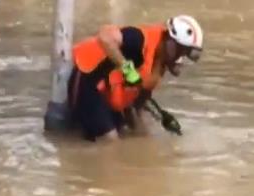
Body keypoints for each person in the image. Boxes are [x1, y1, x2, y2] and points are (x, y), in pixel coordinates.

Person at [67, 15, 203, 141]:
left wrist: (144, 138)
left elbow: (134, 105)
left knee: (129, 138)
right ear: (170, 41)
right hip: (88, 79)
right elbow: (105, 37)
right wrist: (127, 69)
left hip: (107, 94)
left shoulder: (158, 66)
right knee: (111, 142)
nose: (181, 57)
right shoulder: (138, 39)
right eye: (181, 51)